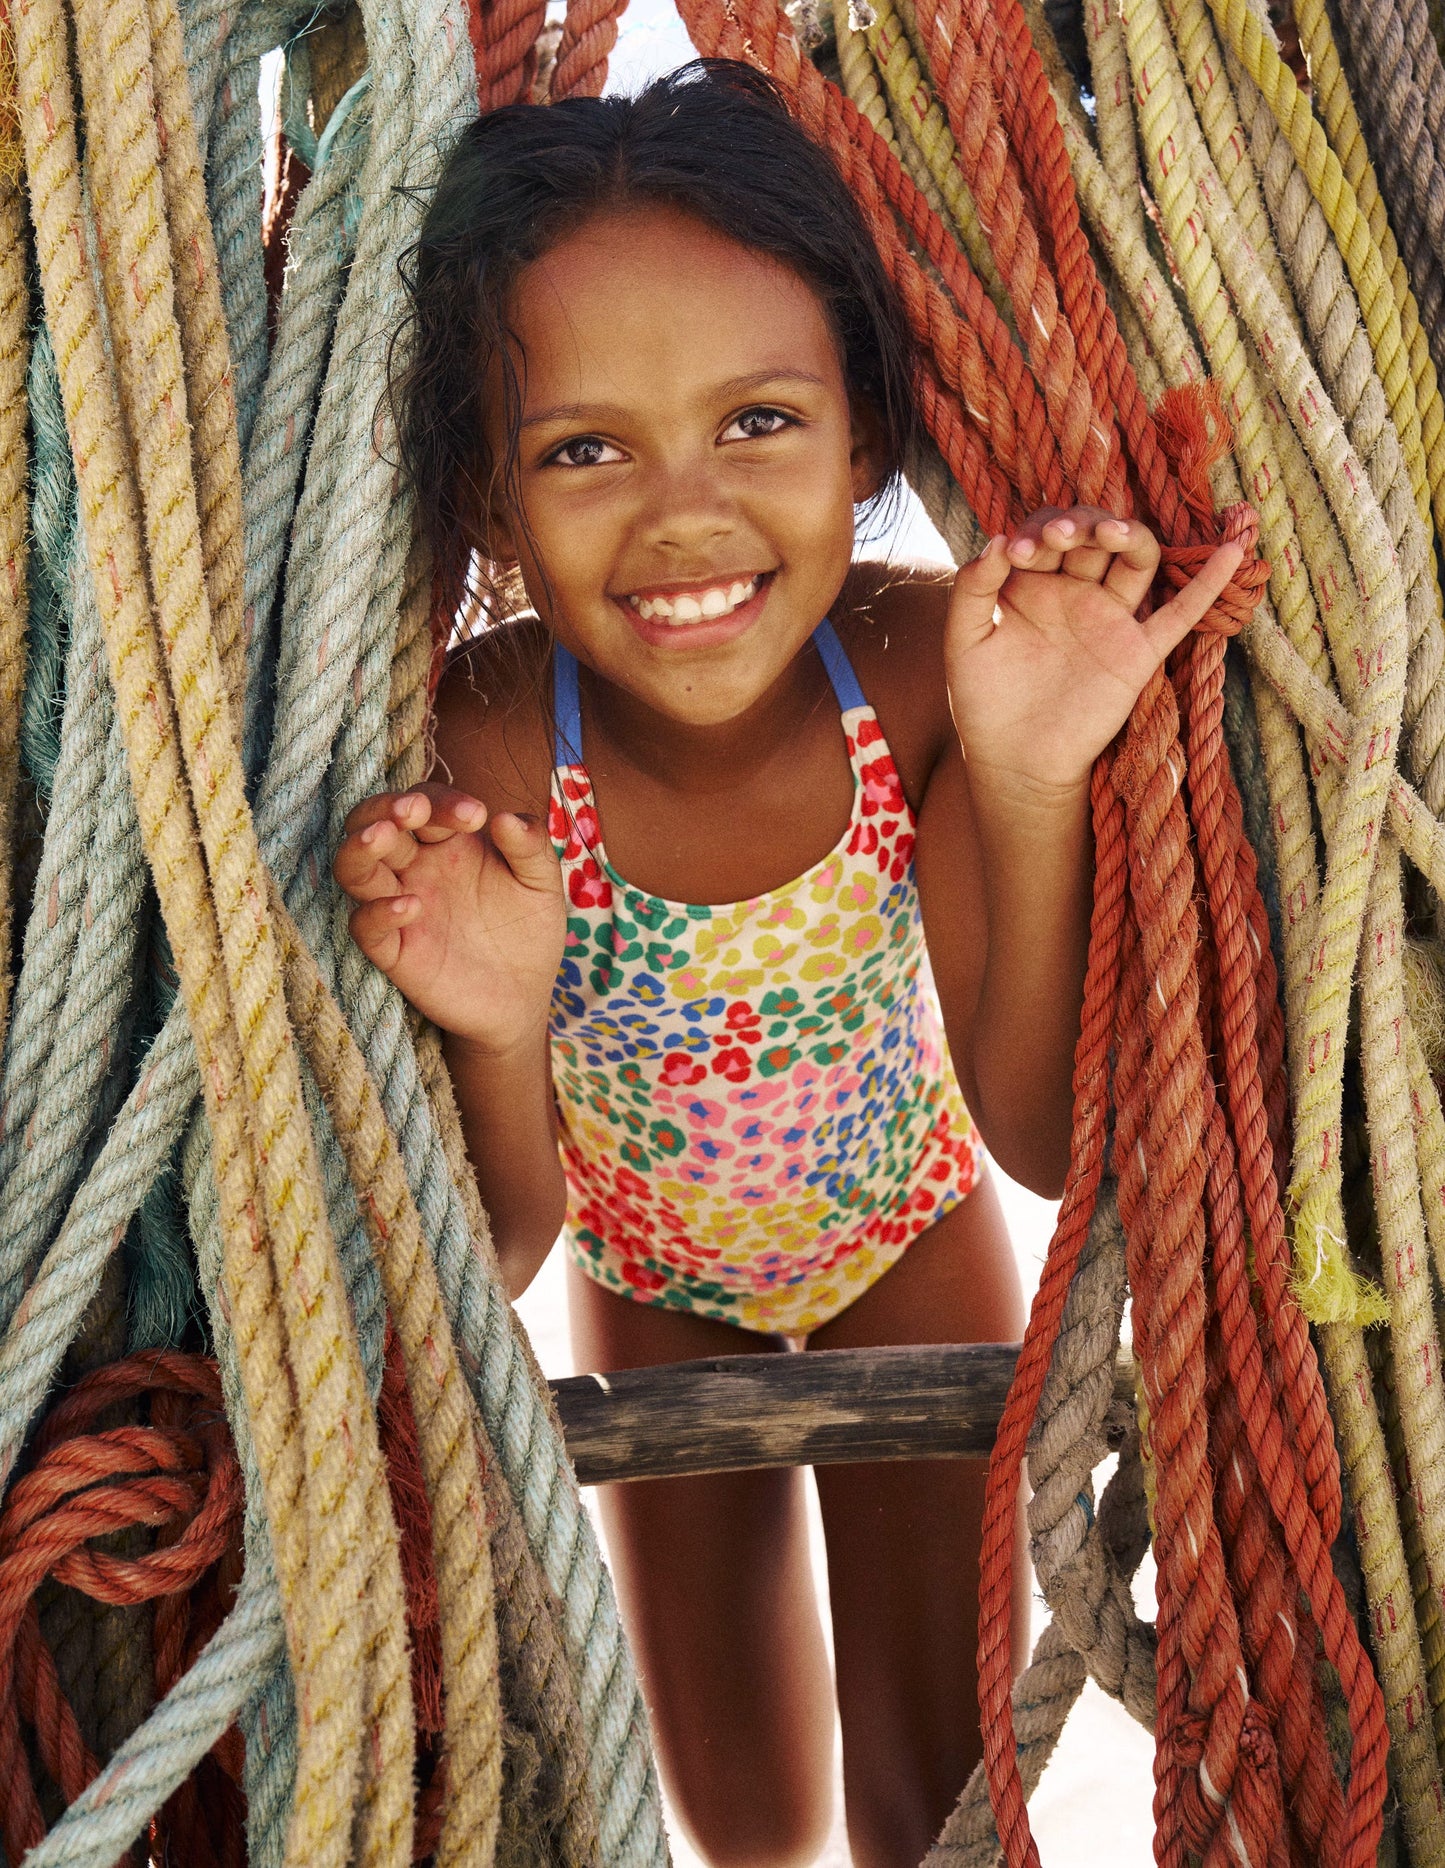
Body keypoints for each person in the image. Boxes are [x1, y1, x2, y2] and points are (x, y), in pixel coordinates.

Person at [334, 60, 1242, 1868]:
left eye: (758, 421)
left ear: (868, 443)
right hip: (645, 1286)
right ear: (488, 506)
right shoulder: (497, 745)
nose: (683, 518)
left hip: (911, 1250)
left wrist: (1027, 768)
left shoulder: (916, 669)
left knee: (936, 1790)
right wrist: (498, 1018)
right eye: (583, 448)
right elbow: (497, 1241)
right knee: (734, 1805)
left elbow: (1054, 1143)